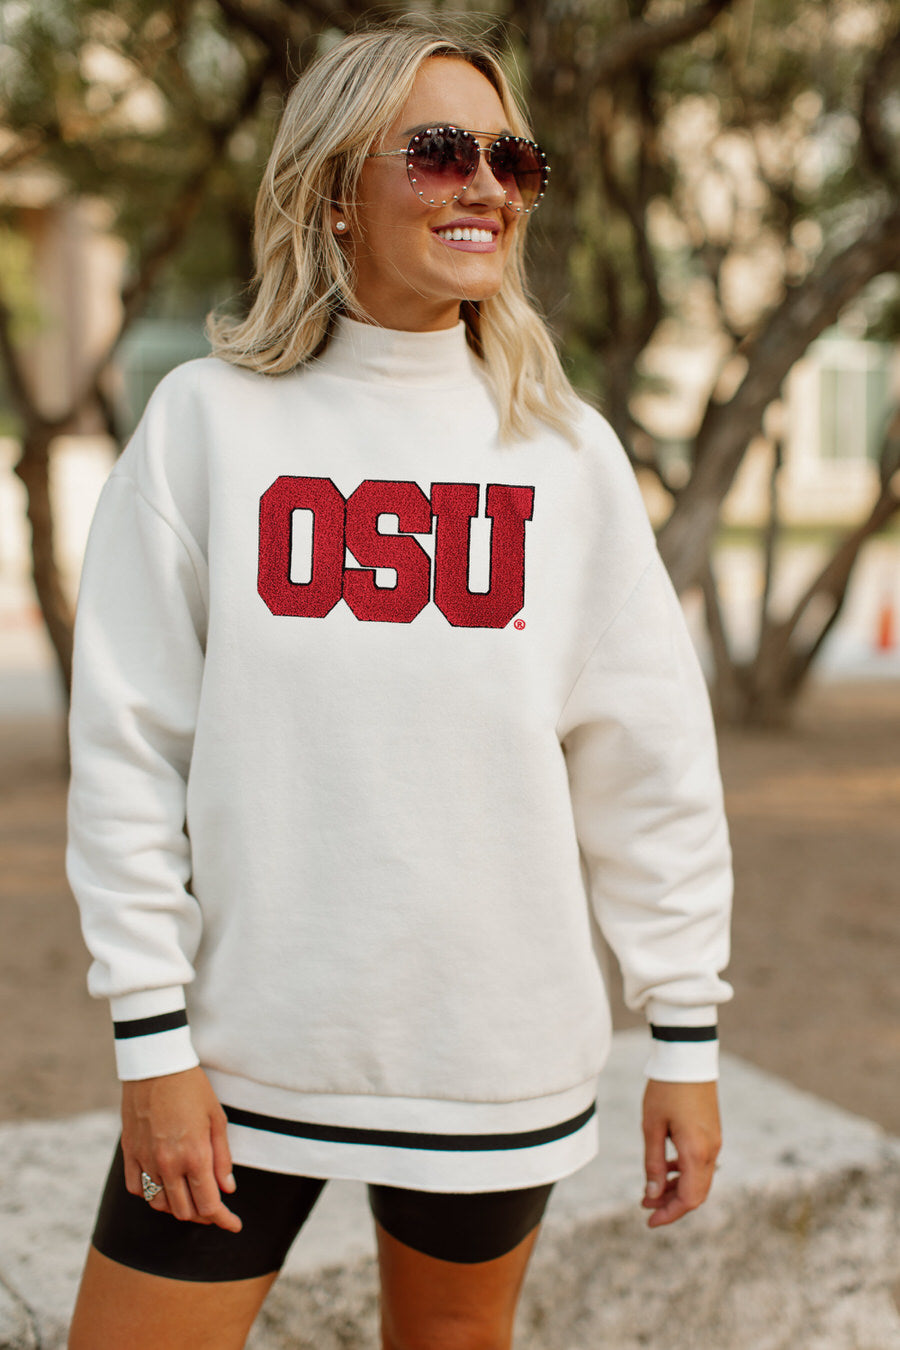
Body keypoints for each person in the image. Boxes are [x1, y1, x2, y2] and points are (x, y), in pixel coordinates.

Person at [65, 14, 733, 1350]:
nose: (483, 183)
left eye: (510, 158)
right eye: (435, 152)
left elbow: (648, 758)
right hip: (242, 1054)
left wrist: (685, 1033)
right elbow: (131, 747)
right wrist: (151, 1036)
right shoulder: (207, 423)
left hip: (494, 1057)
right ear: (333, 187)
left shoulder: (564, 453)